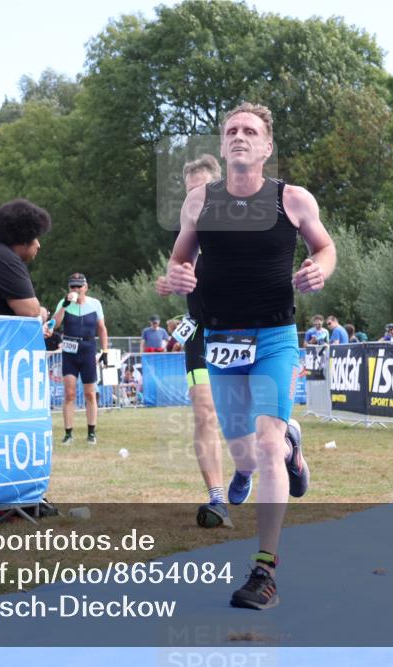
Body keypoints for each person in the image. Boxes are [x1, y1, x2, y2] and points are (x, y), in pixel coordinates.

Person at [166, 102, 336, 610]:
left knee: (263, 447)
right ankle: (291, 447)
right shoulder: (199, 202)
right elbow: (180, 258)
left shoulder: (294, 199)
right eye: (231, 131)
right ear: (223, 146)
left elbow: (325, 248)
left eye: (250, 131)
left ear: (266, 147)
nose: (240, 136)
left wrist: (319, 269)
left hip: (274, 337)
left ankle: (264, 571)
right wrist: (178, 275)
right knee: (244, 457)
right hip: (220, 341)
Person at [155, 153, 232, 529]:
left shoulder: (244, 229)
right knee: (205, 411)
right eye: (188, 192)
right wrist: (169, 282)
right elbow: (179, 271)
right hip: (199, 331)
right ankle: (217, 498)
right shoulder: (184, 234)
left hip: (243, 330)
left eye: (200, 190)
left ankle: (286, 445)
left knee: (247, 422)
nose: (194, 199)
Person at [53, 272, 109, 445]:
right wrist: (64, 304)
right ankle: (68, 434)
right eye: (73, 286)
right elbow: (55, 324)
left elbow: (102, 328)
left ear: (86, 287)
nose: (76, 289)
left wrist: (104, 350)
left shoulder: (95, 304)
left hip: (88, 350)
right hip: (69, 351)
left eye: (79, 286)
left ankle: (91, 432)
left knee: (90, 394)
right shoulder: (64, 303)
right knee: (69, 394)